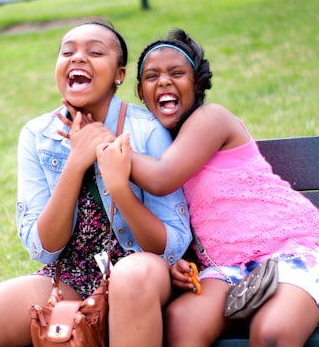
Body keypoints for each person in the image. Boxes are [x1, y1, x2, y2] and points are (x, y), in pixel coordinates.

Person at [0, 19, 191, 347]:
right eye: (67, 52)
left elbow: (171, 247)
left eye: (95, 51)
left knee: (130, 276)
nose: (78, 58)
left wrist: (119, 186)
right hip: (68, 277)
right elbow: (43, 248)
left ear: (119, 74)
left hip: (141, 273)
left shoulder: (147, 130)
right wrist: (76, 162)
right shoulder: (37, 136)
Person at [98, 28, 319, 346]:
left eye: (177, 73)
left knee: (273, 333)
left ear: (197, 84)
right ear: (141, 92)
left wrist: (102, 140)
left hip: (287, 250)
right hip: (224, 268)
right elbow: (177, 223)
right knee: (180, 324)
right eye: (152, 76)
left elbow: (162, 178)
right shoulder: (155, 145)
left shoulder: (211, 119)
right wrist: (180, 263)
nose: (164, 81)